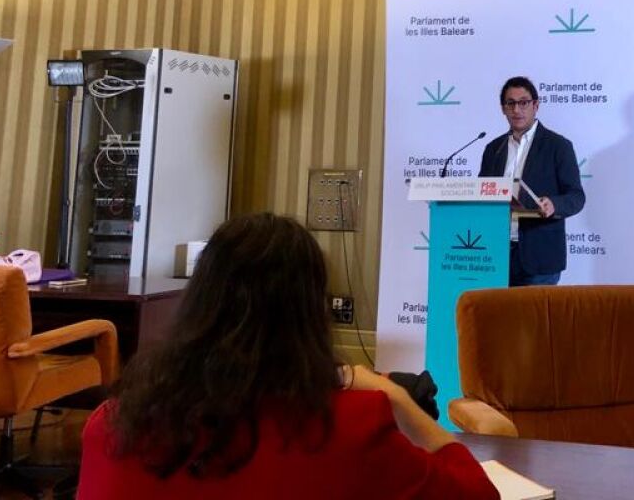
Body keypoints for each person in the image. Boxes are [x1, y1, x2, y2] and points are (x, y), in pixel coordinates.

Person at [77, 213, 498, 500]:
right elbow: (478, 493)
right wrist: (399, 400)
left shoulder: (110, 426)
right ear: (310, 313)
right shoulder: (355, 429)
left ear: (198, 303)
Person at [479, 76, 586, 286]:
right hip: (496, 254)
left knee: (535, 311)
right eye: (510, 103)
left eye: (524, 102)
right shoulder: (493, 149)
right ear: (503, 109)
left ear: (536, 105)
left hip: (540, 257)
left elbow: (576, 196)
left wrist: (554, 204)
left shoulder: (558, 146)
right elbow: (482, 193)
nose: (517, 110)